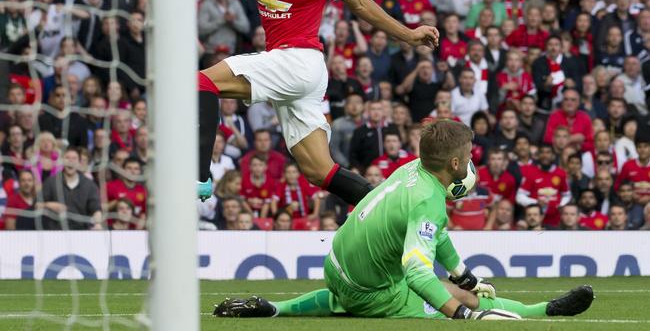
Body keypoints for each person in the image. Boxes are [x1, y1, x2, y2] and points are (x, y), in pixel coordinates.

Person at [130, 0, 438, 203]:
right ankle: (387, 209)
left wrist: (409, 35)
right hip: (295, 75)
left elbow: (359, 3)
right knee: (320, 171)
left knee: (201, 83)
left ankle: (198, 177)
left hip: (301, 62)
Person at [215, 120, 594, 320]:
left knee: (349, 297)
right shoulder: (429, 200)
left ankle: (277, 309)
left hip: (335, 265)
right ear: (456, 164)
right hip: (372, 292)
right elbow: (416, 271)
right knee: (462, 299)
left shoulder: (411, 169)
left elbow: (436, 235)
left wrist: (464, 272)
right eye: (468, 155)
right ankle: (542, 311)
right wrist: (459, 311)